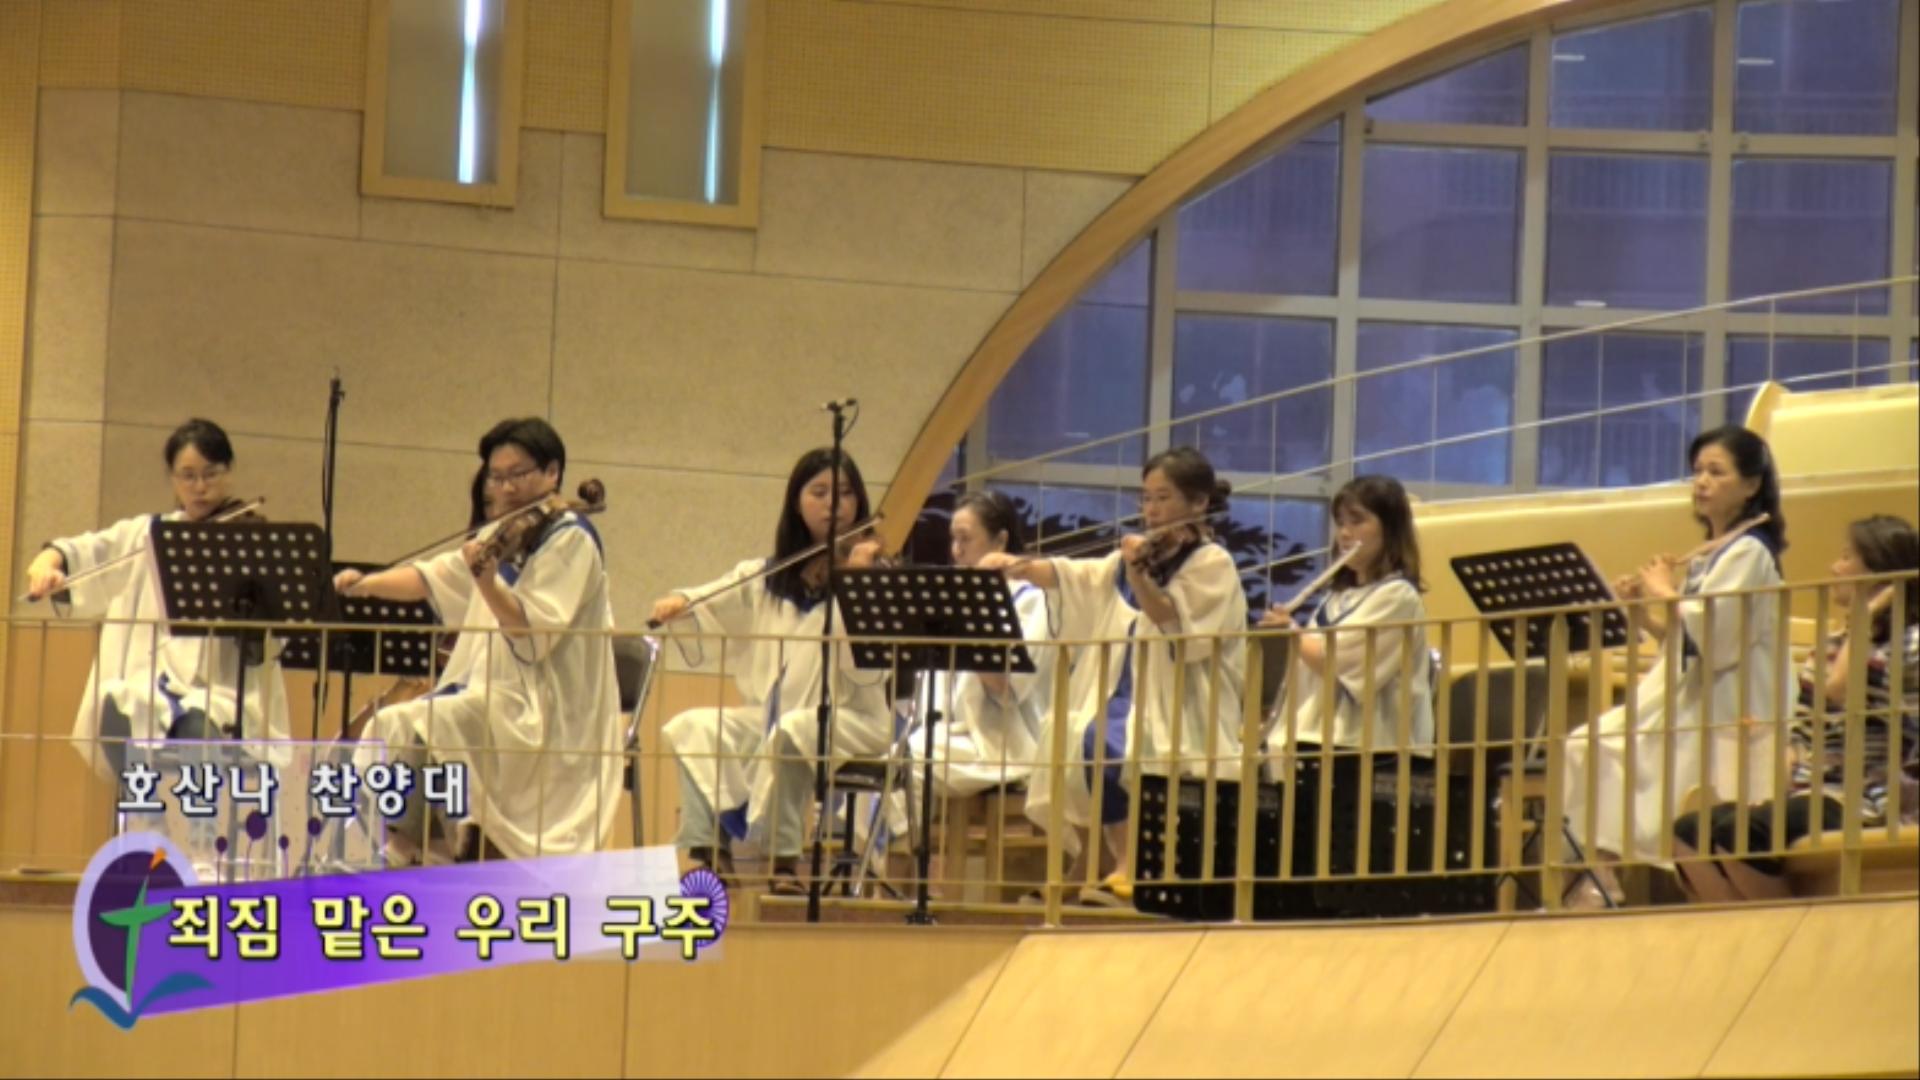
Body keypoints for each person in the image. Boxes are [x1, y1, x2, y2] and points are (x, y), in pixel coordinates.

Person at [334, 417, 621, 862]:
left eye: (518, 474)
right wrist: (367, 584)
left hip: (549, 709)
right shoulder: (503, 533)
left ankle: (414, 848)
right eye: (496, 476)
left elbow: (534, 632)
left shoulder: (570, 539)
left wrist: (487, 583)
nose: (505, 487)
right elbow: (434, 577)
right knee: (394, 722)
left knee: (433, 722)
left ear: (552, 473)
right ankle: (407, 844)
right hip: (497, 696)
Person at [982, 446, 1247, 906]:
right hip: (1118, 690)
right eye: (1146, 498)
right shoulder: (1131, 558)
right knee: (1066, 731)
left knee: (1108, 740)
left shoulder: (1212, 563)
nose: (1151, 510)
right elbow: (1074, 576)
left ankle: (1128, 865)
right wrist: (1016, 565)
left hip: (1180, 703)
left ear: (1199, 502)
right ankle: (1090, 862)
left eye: (1163, 498)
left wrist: (1139, 572)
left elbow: (1168, 617)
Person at [1562, 425, 1789, 907]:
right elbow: (1684, 638)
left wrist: (1664, 589)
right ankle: (1601, 874)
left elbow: (1716, 638)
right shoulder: (1715, 553)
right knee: (1589, 743)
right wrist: (1641, 608)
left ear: (1751, 484)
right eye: (1697, 472)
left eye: (1716, 472)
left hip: (1735, 700)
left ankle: (1606, 877)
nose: (1701, 482)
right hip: (1700, 689)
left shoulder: (1750, 551)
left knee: (1610, 747)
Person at [653, 448, 892, 894]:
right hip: (774, 715)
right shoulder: (767, 574)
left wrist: (857, 582)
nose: (833, 504)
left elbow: (867, 665)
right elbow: (716, 594)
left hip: (854, 720)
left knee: (793, 729)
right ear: (797, 503)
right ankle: (708, 856)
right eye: (818, 492)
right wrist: (683, 603)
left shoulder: (876, 573)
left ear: (859, 502)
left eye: (844, 493)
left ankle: (783, 862)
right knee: (697, 726)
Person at [24, 418, 291, 778]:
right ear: (173, 479)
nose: (200, 487)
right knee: (115, 707)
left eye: (210, 474)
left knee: (197, 728)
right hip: (153, 680)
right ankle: (140, 803)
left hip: (223, 691)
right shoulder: (149, 533)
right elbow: (88, 551)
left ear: (229, 473)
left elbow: (273, 634)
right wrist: (47, 563)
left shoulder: (249, 539)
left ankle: (202, 812)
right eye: (188, 476)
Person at [1672, 515, 1919, 902]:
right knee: (1690, 831)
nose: (1833, 568)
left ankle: (1785, 927)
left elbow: (1840, 690)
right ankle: (1745, 928)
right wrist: (1775, 789)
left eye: (1846, 558)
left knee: (1743, 835)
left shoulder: (1910, 645)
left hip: (1867, 797)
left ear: (1879, 573)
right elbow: (1803, 730)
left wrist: (1865, 619)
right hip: (1811, 790)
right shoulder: (1830, 644)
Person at [1259, 474, 1433, 881]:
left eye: (1358, 521)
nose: (1345, 533)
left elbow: (1339, 664)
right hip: (1319, 738)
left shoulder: (1398, 596)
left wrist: (1292, 632)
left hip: (1369, 745)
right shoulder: (1335, 598)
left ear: (1390, 529)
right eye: (1340, 522)